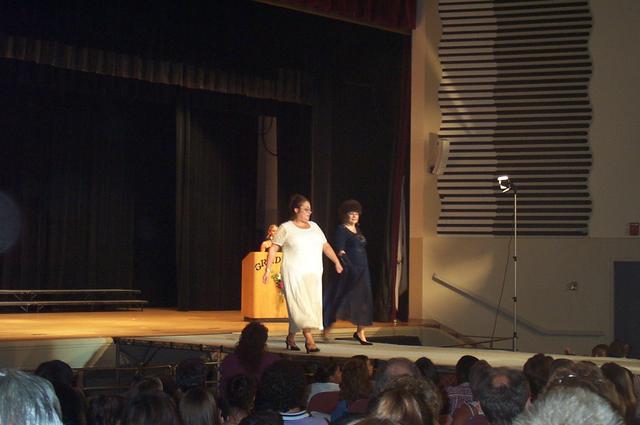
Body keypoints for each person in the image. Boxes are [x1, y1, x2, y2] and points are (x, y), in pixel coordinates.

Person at [262, 194, 343, 353]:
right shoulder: (286, 228)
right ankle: (309, 340)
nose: (309, 212)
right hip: (294, 273)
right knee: (299, 305)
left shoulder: (314, 227)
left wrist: (336, 261)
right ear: (296, 210)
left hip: (313, 274)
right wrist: (267, 269)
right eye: (305, 209)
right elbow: (273, 248)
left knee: (309, 306)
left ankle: (291, 337)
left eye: (310, 210)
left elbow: (325, 246)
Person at [323, 199, 374, 345]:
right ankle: (327, 328)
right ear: (345, 215)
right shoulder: (341, 229)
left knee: (363, 300)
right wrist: (348, 266)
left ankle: (360, 332)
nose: (354, 216)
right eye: (351, 213)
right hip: (349, 270)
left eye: (356, 213)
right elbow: (340, 250)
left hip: (363, 270)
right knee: (340, 298)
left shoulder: (358, 230)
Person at [219, 322, 279, 394]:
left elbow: (223, 388)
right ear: (264, 341)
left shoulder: (229, 361)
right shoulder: (273, 361)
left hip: (231, 399)